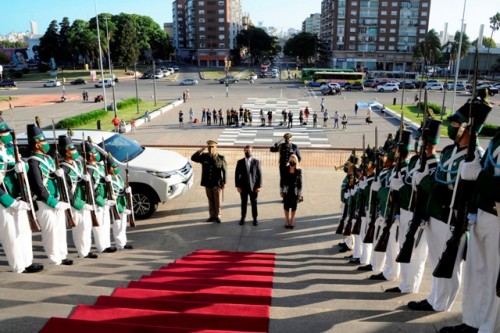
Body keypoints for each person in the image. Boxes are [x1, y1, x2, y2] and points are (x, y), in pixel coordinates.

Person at [408, 89, 491, 313]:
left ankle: (441, 303)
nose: (451, 127)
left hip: (452, 215)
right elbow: (439, 180)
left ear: (468, 129)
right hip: (436, 212)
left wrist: (428, 183)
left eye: (456, 125)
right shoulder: (447, 152)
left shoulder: (476, 156)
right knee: (436, 260)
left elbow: (468, 187)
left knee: (449, 262)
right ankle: (434, 296)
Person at [0, 119, 43, 273]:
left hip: (20, 196)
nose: (8, 135)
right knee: (10, 235)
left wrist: (22, 165)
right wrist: (10, 202)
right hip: (5, 200)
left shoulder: (10, 148)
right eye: (4, 133)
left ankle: (27, 261)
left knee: (24, 231)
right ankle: (18, 266)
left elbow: (22, 165)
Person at [26, 124, 73, 266]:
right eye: (43, 141)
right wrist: (53, 202)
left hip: (57, 199)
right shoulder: (33, 162)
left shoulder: (48, 159)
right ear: (36, 143)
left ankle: (62, 254)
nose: (46, 144)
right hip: (45, 202)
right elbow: (39, 187)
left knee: (60, 229)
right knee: (50, 232)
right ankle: (54, 257)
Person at [58, 135, 98, 260]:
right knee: (80, 230)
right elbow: (67, 191)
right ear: (66, 152)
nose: (75, 151)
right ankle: (82, 252)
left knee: (86, 228)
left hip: (84, 200)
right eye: (72, 149)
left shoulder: (78, 164)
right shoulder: (63, 168)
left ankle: (87, 250)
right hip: (76, 203)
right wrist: (78, 203)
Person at [84, 140, 117, 254]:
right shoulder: (89, 170)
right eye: (94, 152)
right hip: (97, 202)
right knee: (99, 225)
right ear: (90, 155)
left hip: (105, 200)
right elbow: (91, 189)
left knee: (106, 223)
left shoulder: (98, 167)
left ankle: (107, 244)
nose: (97, 154)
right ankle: (101, 246)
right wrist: (100, 200)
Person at [191, 140, 227, 223]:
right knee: (210, 200)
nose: (211, 148)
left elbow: (224, 171)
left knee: (217, 201)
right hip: (207, 183)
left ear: (216, 147)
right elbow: (193, 158)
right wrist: (201, 150)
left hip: (217, 183)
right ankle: (211, 216)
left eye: (212, 147)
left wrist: (224, 182)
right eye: (209, 147)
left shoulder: (221, 158)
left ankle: (217, 216)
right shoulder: (204, 156)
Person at [105, 155, 133, 251]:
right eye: (113, 167)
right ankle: (119, 244)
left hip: (122, 201)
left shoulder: (118, 177)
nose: (116, 169)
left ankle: (123, 243)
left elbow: (122, 188)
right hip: (115, 204)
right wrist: (121, 208)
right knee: (117, 225)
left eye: (116, 167)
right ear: (109, 169)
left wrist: (127, 189)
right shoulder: (108, 179)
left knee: (123, 225)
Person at [235, 145, 262, 226]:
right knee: (243, 203)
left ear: (252, 152)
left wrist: (259, 186)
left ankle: (255, 218)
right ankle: (243, 218)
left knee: (254, 203)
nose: (248, 152)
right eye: (246, 151)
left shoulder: (256, 162)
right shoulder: (240, 162)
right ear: (244, 151)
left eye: (249, 151)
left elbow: (259, 175)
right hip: (243, 187)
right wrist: (238, 186)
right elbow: (236, 175)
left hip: (254, 187)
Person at [281, 154, 302, 229]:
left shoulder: (299, 170)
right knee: (286, 206)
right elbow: (282, 181)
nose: (292, 161)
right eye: (290, 160)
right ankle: (286, 220)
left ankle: (292, 220)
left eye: (293, 160)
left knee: (294, 206)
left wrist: (299, 193)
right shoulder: (285, 169)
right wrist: (281, 191)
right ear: (289, 160)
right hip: (287, 191)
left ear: (296, 161)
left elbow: (300, 183)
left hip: (294, 191)